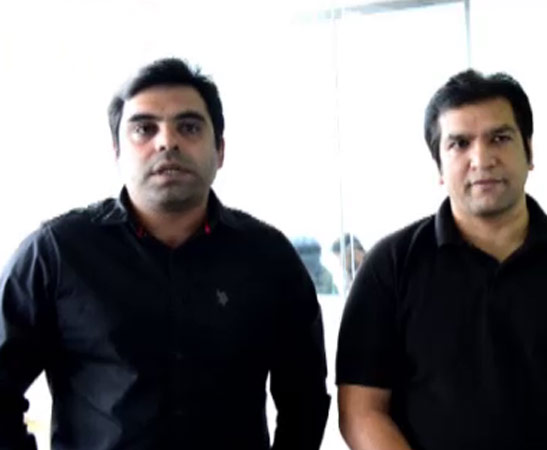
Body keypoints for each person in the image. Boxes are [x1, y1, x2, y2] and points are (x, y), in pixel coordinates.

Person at [0, 58, 330, 449]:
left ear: (220, 150)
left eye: (188, 127)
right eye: (144, 128)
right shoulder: (56, 253)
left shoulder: (269, 258)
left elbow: (305, 397)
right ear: (117, 151)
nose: (166, 142)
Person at [336, 69, 547, 450]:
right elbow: (360, 411)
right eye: (459, 144)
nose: (481, 159)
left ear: (529, 151)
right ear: (439, 165)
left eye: (499, 138)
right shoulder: (390, 267)